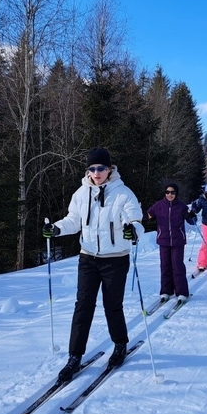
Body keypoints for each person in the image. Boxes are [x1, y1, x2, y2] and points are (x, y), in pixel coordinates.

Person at [43, 147, 144, 382]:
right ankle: (74, 357)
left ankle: (120, 344)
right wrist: (56, 229)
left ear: (109, 169)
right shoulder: (81, 193)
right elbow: (73, 220)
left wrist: (133, 231)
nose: (96, 173)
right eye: (92, 168)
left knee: (112, 305)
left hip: (115, 259)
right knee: (83, 306)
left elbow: (135, 220)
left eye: (100, 168)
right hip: (88, 257)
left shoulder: (123, 194)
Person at [146, 183, 193, 302]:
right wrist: (139, 214)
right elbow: (148, 215)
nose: (170, 194)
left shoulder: (182, 206)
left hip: (178, 240)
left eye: (172, 192)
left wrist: (191, 216)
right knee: (165, 266)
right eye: (167, 192)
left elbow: (192, 220)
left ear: (176, 194)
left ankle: (182, 292)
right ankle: (166, 291)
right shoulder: (159, 205)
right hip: (164, 240)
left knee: (177, 266)